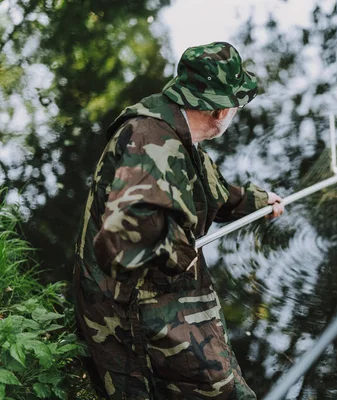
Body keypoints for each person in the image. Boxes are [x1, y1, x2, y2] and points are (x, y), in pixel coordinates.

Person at [73, 42, 283, 399]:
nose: (236, 111)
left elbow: (205, 188)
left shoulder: (177, 124)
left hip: (161, 285)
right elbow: (118, 242)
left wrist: (255, 201)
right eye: (236, 103)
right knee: (220, 388)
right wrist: (179, 250)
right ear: (219, 111)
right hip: (129, 305)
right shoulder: (149, 143)